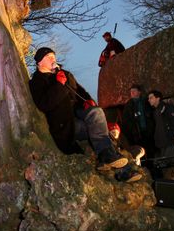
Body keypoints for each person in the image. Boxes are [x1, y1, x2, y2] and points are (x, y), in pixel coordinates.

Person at [29, 47, 132, 178]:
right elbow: (45, 104)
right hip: (66, 124)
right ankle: (122, 170)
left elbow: (81, 91)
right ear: (39, 62)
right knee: (100, 132)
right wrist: (59, 85)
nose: (53, 59)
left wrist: (88, 101)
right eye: (48, 56)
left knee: (97, 112)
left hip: (80, 112)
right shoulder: (37, 81)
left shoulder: (65, 74)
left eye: (53, 56)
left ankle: (112, 161)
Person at [147, 90, 174, 180]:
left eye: (151, 98)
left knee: (170, 168)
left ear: (158, 98)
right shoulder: (155, 112)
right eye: (148, 98)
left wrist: (170, 136)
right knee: (165, 169)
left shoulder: (168, 108)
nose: (149, 100)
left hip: (170, 143)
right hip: (162, 145)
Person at [121, 84, 155, 159]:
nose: (132, 93)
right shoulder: (129, 105)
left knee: (151, 153)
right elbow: (126, 122)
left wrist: (151, 129)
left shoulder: (146, 102)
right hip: (136, 135)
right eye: (131, 91)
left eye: (134, 91)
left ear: (139, 92)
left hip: (148, 133)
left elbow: (152, 116)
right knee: (140, 154)